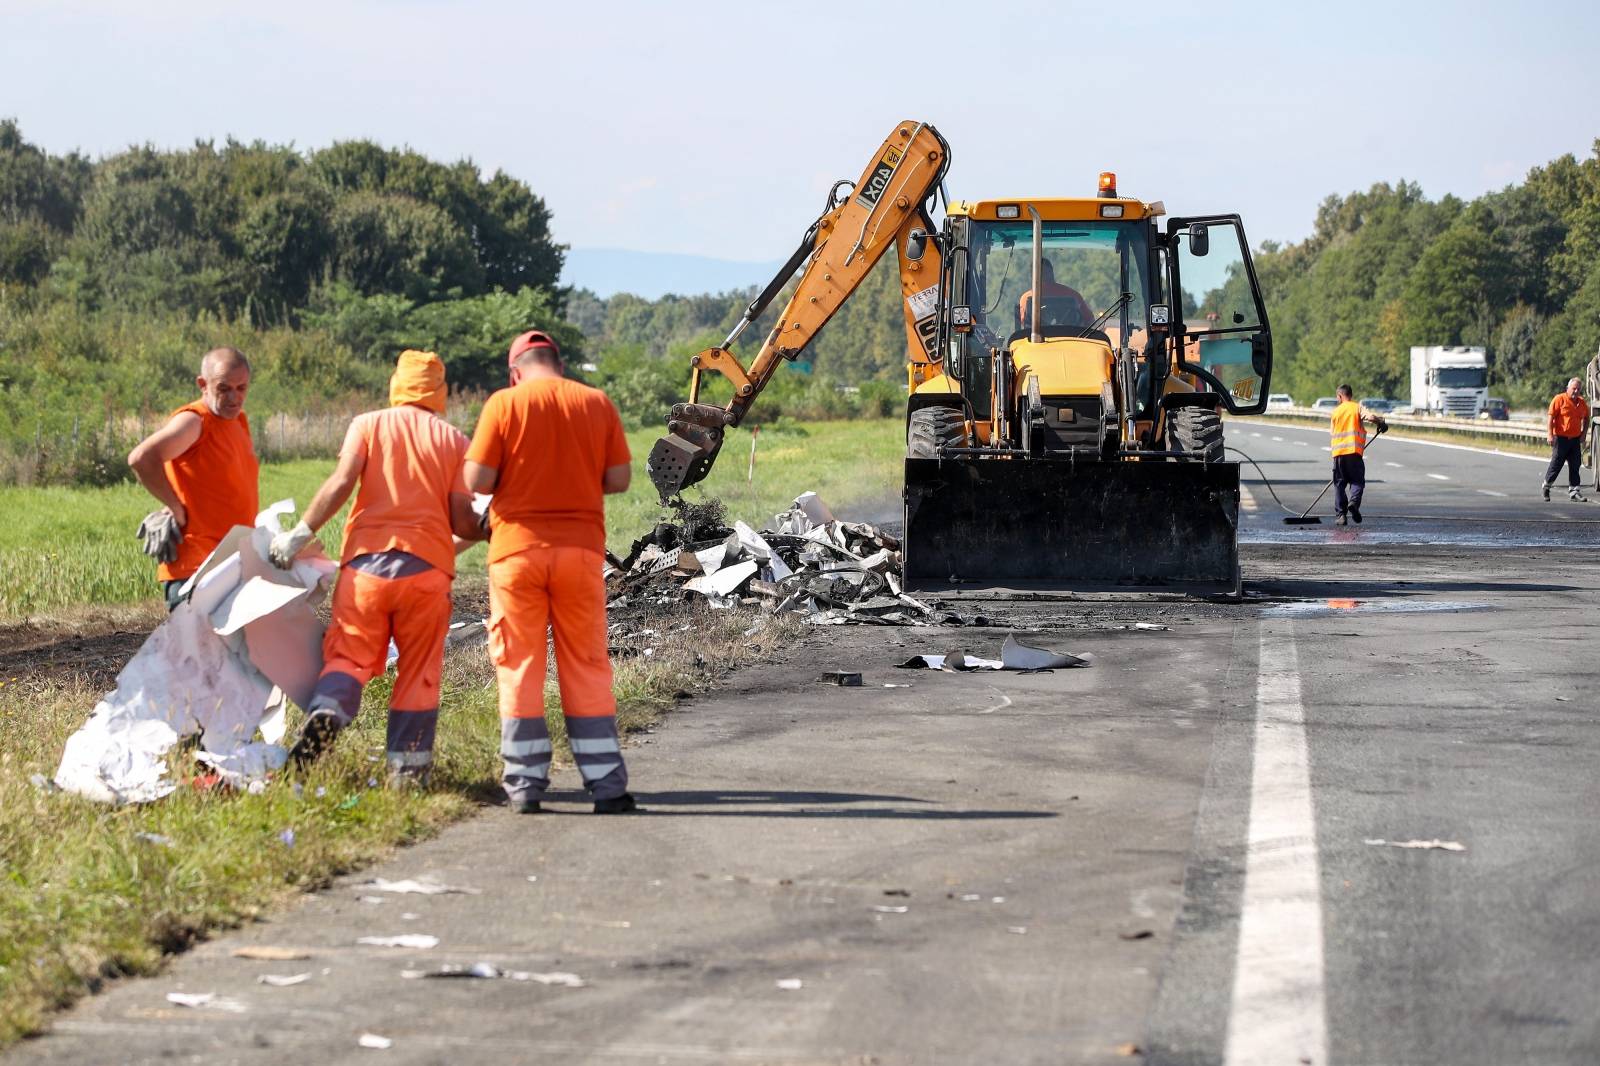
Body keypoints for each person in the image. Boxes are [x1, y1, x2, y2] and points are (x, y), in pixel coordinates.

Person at [269, 350, 483, 785]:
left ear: (396, 383)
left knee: (348, 658)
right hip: (426, 576)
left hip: (365, 572)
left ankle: (328, 710)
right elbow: (463, 521)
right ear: (439, 391)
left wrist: (300, 532)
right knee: (418, 672)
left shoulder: (368, 424)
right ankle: (406, 771)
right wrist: (495, 523)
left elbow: (342, 481)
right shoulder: (454, 441)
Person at [464, 330, 636, 815]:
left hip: (515, 553)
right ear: (557, 364)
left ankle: (524, 787)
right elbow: (619, 479)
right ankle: (605, 787)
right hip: (580, 554)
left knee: (520, 666)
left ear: (516, 370)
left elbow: (477, 479)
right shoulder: (595, 402)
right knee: (585, 664)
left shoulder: (504, 403)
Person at [127, 347, 260, 611]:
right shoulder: (194, 421)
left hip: (232, 564)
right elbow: (141, 458)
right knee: (203, 652)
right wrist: (175, 507)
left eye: (241, 388)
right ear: (203, 384)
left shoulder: (238, 421)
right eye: (224, 388)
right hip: (197, 572)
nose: (234, 397)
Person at [1329, 384, 1387, 526]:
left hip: (1338, 455)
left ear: (1340, 396)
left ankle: (1341, 515)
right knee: (1357, 481)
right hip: (1354, 453)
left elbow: (1332, 432)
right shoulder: (1356, 407)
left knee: (1339, 484)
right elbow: (1371, 417)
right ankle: (1353, 502)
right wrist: (1381, 423)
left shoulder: (1335, 412)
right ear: (1350, 395)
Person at [1543, 377, 1589, 502]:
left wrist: (1584, 434)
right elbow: (1551, 418)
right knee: (1556, 464)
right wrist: (1550, 434)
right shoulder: (1559, 399)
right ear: (1568, 388)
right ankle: (1547, 486)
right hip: (1561, 438)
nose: (1576, 391)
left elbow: (1586, 419)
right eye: (1574, 389)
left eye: (1578, 389)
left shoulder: (1582, 403)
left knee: (1575, 465)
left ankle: (1574, 491)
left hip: (1574, 439)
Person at [1016, 259, 1094, 332]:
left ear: (1032, 276)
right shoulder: (1072, 295)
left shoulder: (1026, 298)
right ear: (1052, 272)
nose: (1043, 275)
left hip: (1036, 343)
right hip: (1071, 340)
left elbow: (1025, 326)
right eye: (1041, 272)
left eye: (1044, 272)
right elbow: (1089, 321)